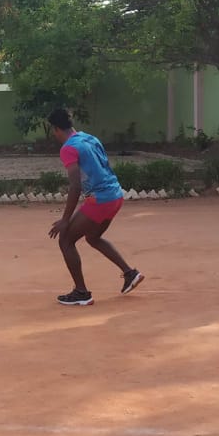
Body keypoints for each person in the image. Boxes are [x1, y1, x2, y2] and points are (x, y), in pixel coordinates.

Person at [45, 108, 143, 306]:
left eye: (53, 130)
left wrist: (65, 220)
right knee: (93, 237)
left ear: (56, 128)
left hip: (100, 200)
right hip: (115, 194)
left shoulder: (68, 148)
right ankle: (130, 273)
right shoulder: (89, 138)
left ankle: (81, 293)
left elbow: (75, 186)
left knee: (66, 240)